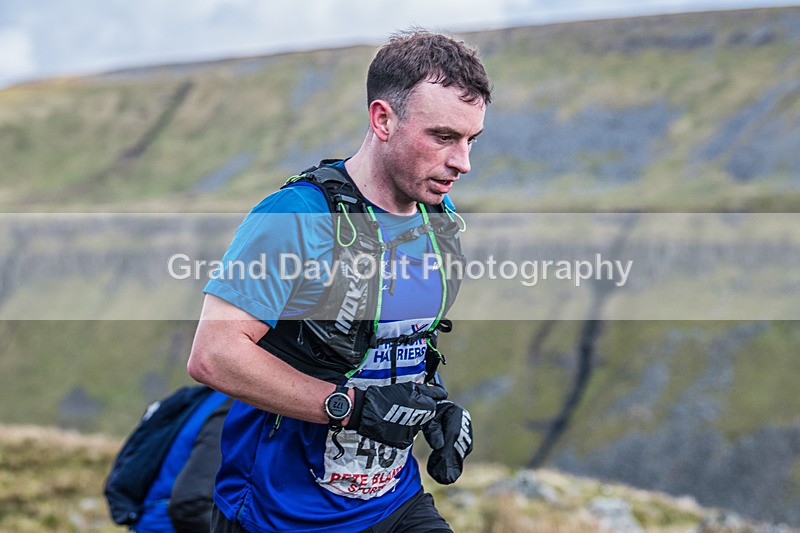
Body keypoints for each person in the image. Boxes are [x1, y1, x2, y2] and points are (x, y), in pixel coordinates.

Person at [188, 29, 492, 533]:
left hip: (394, 504)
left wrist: (432, 407)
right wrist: (352, 409)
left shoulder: (438, 217)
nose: (462, 162)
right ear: (383, 119)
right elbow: (213, 356)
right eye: (442, 137)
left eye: (470, 140)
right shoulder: (296, 215)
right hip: (278, 515)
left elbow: (401, 341)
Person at [130, 389, 233, 533]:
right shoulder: (236, 409)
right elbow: (190, 504)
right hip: (167, 525)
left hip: (149, 519)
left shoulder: (214, 396)